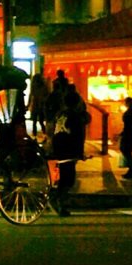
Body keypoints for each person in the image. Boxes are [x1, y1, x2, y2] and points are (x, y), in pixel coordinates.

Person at [50, 84, 90, 216]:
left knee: (64, 176)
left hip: (58, 146)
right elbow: (78, 136)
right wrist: (79, 153)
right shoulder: (75, 117)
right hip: (68, 149)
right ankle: (58, 201)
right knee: (68, 178)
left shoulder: (60, 114)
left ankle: (58, 199)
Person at [118, 97, 132, 180]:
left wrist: (124, 133)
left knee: (126, 151)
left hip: (130, 135)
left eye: (126, 102)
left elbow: (129, 125)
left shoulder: (131, 112)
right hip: (131, 134)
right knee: (126, 152)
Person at [27, 72, 50, 136]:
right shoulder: (44, 86)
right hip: (41, 105)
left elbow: (31, 95)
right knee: (40, 120)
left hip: (36, 104)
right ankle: (44, 131)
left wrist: (28, 104)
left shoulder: (34, 86)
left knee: (35, 120)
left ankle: (35, 133)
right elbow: (47, 95)